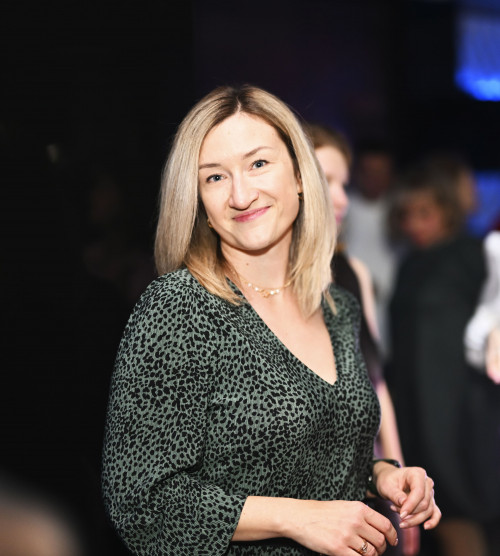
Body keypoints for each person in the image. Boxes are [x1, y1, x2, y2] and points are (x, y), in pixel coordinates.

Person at [102, 85, 441, 556]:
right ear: (198, 200)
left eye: (258, 163)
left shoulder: (337, 308)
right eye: (215, 177)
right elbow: (140, 502)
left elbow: (318, 454)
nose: (241, 195)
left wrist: (382, 475)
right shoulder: (180, 307)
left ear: (300, 175)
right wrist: (297, 518)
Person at [304, 123, 420, 556]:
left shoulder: (352, 274)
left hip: (364, 473)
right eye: (327, 181)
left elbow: (376, 380)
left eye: (344, 183)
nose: (341, 199)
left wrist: (398, 470)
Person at [387, 158, 492, 556]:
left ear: (447, 210)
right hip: (416, 409)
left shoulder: (473, 256)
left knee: (461, 509)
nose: (414, 224)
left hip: (462, 412)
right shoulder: (410, 263)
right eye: (406, 215)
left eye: (425, 213)